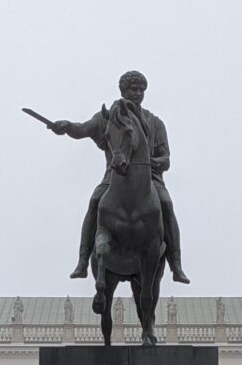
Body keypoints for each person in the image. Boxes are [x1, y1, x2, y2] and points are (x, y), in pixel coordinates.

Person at [49, 71, 190, 284]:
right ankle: (82, 260)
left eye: (142, 90)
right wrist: (66, 126)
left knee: (167, 204)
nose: (138, 93)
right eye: (133, 89)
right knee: (95, 201)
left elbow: (166, 159)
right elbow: (81, 129)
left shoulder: (155, 123)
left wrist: (152, 163)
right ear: (123, 90)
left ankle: (176, 264)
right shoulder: (107, 118)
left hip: (149, 180)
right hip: (113, 177)